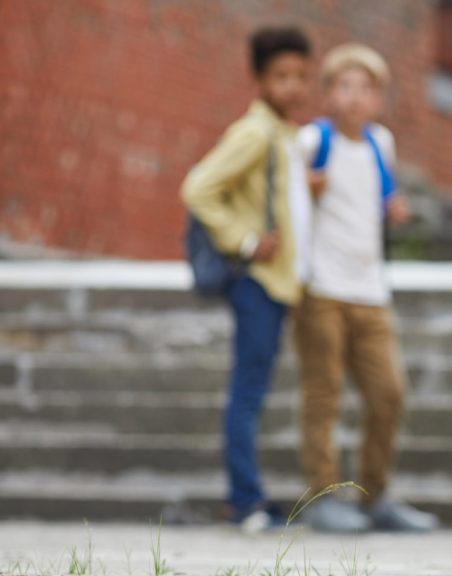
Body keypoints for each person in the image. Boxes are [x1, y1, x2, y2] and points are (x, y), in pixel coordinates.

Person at [291, 43, 436, 533]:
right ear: (329, 93)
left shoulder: (381, 143)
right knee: (323, 394)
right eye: (345, 86)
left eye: (366, 88)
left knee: (388, 393)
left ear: (378, 99)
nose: (355, 97)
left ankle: (376, 495)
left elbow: (379, 194)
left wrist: (393, 208)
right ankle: (324, 495)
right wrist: (302, 190)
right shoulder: (312, 141)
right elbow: (287, 203)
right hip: (322, 290)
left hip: (371, 291)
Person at [181, 26, 313, 532]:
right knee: (248, 390)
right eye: (281, 76)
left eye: (301, 76)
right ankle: (245, 500)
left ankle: (248, 495)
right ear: (259, 79)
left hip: (279, 283)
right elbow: (198, 188)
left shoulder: (283, 133)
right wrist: (244, 240)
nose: (293, 86)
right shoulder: (255, 131)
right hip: (256, 282)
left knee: (253, 387)